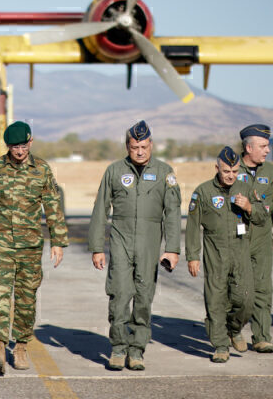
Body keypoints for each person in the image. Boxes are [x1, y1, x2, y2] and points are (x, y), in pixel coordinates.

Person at [87, 120, 181, 371]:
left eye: (144, 146)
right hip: (121, 240)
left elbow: (172, 213)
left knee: (143, 298)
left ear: (151, 145)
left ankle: (137, 349)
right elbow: (100, 210)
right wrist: (97, 247)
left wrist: (172, 249)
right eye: (134, 147)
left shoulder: (164, 173)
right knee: (118, 295)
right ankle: (118, 348)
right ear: (127, 147)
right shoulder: (115, 171)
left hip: (149, 242)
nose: (139, 151)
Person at [0, 121, 68, 375]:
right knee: (1, 294)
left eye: (23, 145)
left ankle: (21, 346)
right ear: (7, 146)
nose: (19, 151)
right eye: (14, 146)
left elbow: (52, 205)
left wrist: (58, 241)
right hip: (1, 243)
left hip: (30, 245)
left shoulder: (42, 169)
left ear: (31, 142)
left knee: (27, 298)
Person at [185, 146, 265, 362]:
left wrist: (249, 207)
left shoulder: (245, 188)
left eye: (235, 171)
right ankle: (220, 345)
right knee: (215, 300)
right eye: (226, 171)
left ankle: (234, 328)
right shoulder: (203, 192)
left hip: (240, 251)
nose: (231, 176)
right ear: (217, 168)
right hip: (215, 252)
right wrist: (192, 255)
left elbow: (262, 218)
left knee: (246, 300)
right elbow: (193, 226)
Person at [237, 124, 273, 353]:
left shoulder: (271, 172)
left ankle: (262, 336)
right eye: (263, 146)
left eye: (268, 146)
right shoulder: (231, 168)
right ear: (248, 147)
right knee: (236, 289)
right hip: (238, 238)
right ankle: (232, 331)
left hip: (263, 238)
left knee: (263, 289)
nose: (267, 150)